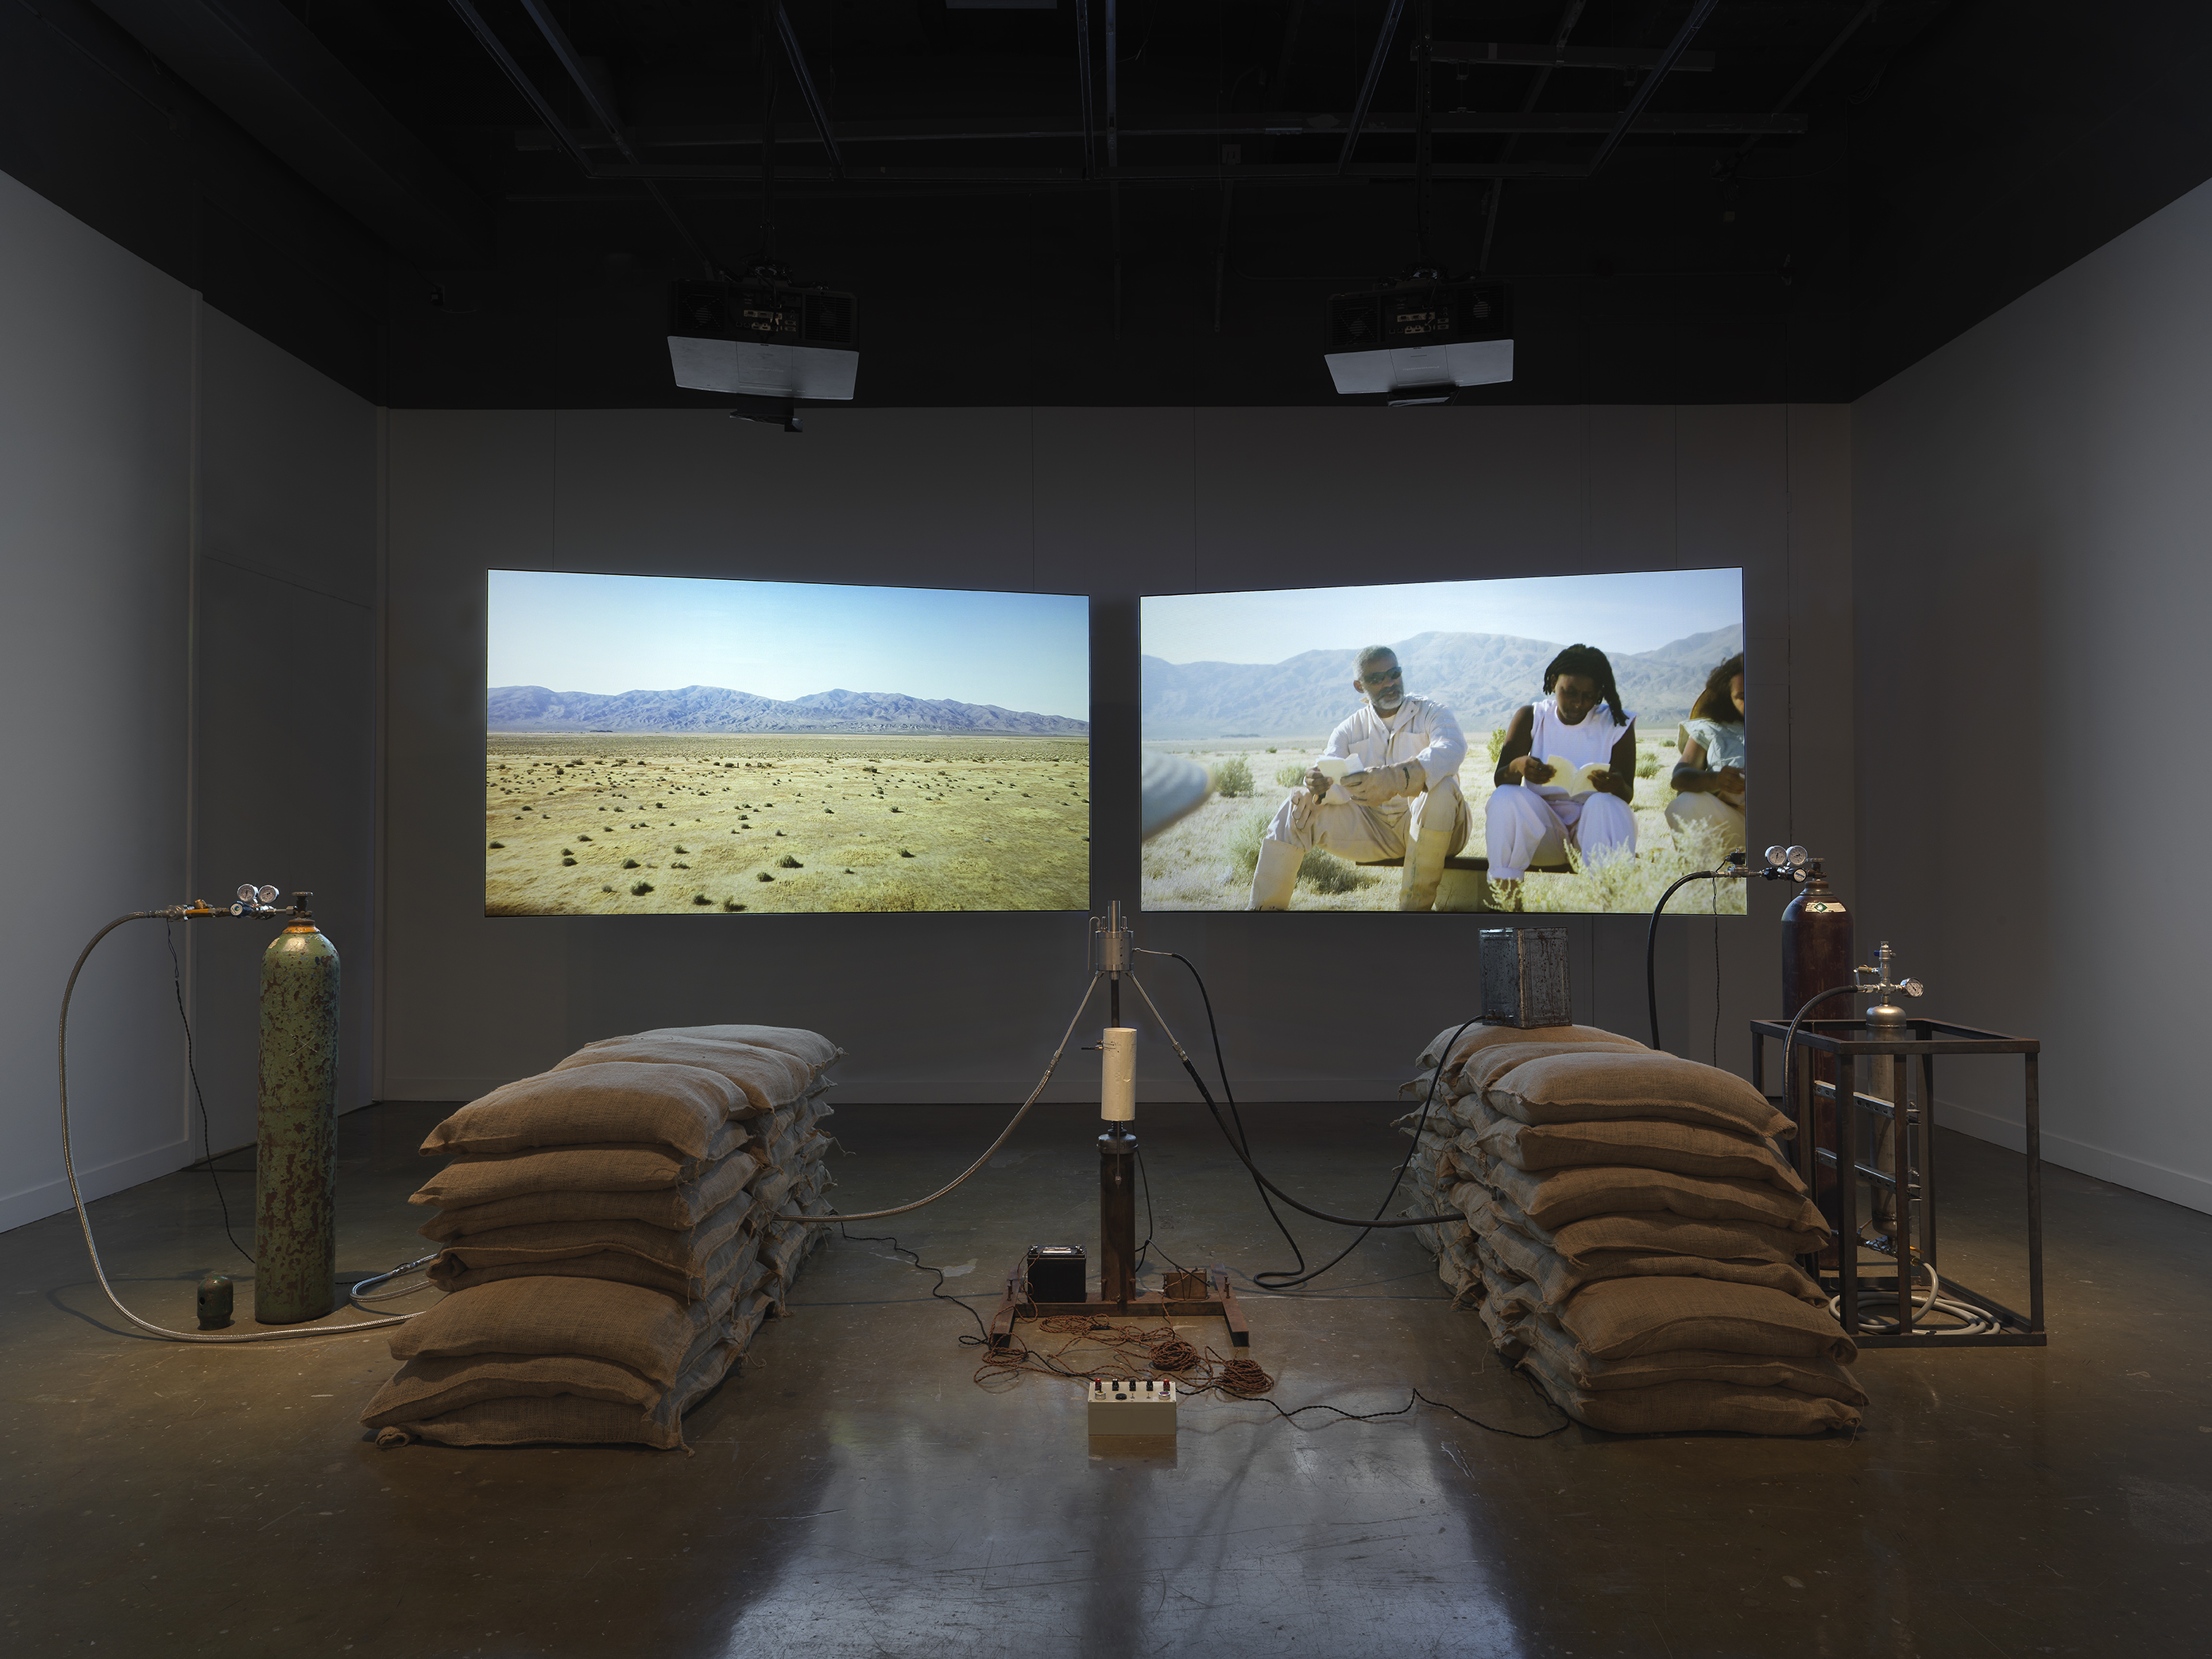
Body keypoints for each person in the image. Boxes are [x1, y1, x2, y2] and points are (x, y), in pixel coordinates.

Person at [1247, 645, 1469, 911]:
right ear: (1359, 686)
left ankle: (1412, 917)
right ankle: (1264, 916)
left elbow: (1452, 748)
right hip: (1375, 830)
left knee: (1441, 789)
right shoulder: (1348, 730)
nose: (1390, 683)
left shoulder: (1432, 712)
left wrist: (1394, 778)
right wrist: (1317, 784)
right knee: (1298, 806)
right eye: (1377, 679)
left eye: (1394, 674)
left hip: (1440, 827)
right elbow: (1331, 773)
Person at [1484, 644, 1638, 908]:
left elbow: (1627, 794)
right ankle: (1508, 906)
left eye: (1589, 696)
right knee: (1505, 796)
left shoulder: (1616, 722)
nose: (1578, 702)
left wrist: (1615, 784)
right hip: (1542, 838)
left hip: (1594, 836)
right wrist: (1518, 766)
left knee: (1606, 804)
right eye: (1570, 692)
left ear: (1600, 694)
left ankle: (1611, 911)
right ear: (1554, 681)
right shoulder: (1532, 716)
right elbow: (1501, 779)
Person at [1665, 652, 1746, 851]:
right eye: (1743, 697)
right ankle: (1705, 871)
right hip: (1736, 826)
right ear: (1727, 698)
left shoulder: (1797, 730)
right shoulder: (1710, 730)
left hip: (1788, 825)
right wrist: (1716, 779)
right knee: (1686, 803)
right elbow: (1680, 777)